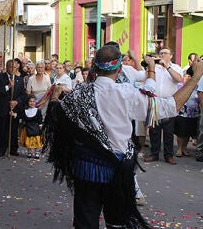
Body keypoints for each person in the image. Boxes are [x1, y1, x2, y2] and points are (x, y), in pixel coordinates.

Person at [43, 45, 203, 228]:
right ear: (119, 69)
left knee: (85, 223)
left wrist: (55, 97)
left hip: (86, 169)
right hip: (118, 171)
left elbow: (57, 111)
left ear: (94, 68)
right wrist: (196, 77)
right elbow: (170, 106)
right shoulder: (127, 93)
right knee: (117, 223)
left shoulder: (79, 94)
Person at [145, 47, 183, 165]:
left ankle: (168, 155)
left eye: (165, 53)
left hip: (168, 102)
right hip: (155, 102)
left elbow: (179, 79)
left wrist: (167, 66)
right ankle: (154, 154)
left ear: (171, 55)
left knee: (168, 131)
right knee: (154, 130)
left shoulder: (176, 67)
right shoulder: (154, 67)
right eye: (160, 53)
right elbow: (146, 79)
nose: (162, 55)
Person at [0, 59, 26, 157]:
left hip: (14, 108)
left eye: (14, 67)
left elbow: (23, 95)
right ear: (7, 67)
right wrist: (8, 86)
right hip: (3, 107)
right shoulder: (0, 78)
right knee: (2, 129)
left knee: (13, 129)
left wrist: (17, 102)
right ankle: (1, 149)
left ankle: (13, 149)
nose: (12, 69)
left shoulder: (19, 80)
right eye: (10, 67)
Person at [174, 67, 199, 158]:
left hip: (193, 113)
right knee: (181, 131)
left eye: (190, 76)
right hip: (182, 112)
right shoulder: (180, 85)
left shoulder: (197, 86)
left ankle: (184, 148)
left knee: (188, 131)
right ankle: (179, 148)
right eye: (187, 76)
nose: (188, 77)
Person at [19, 95, 43, 159]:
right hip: (28, 128)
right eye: (30, 101)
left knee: (36, 141)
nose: (32, 103)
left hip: (36, 128)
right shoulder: (25, 111)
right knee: (28, 141)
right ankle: (29, 152)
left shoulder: (38, 110)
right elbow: (21, 118)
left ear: (35, 102)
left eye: (33, 101)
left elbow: (40, 120)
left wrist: (41, 126)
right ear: (27, 102)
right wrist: (15, 115)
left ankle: (37, 152)